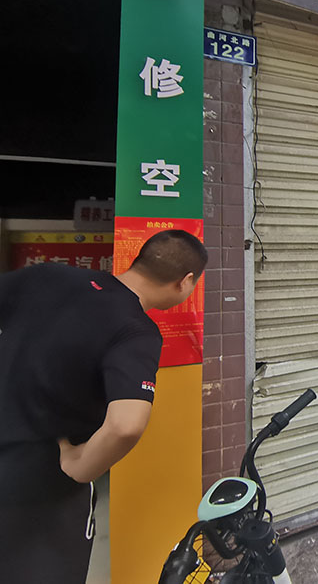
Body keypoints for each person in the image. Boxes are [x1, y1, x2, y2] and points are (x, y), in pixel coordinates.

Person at [0, 229, 207, 583]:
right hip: (39, 488)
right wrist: (81, 467)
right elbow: (126, 424)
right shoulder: (135, 330)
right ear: (185, 281)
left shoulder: (47, 275)